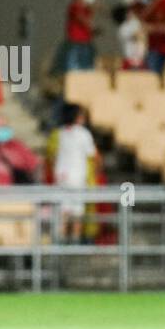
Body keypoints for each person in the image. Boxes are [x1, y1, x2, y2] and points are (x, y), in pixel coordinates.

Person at [52, 103, 96, 241]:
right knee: (77, 212)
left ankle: (61, 241)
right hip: (77, 177)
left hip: (61, 176)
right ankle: (75, 242)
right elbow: (92, 154)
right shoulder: (83, 134)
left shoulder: (60, 133)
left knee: (63, 211)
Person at [63, 0, 97, 73]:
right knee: (75, 68)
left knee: (87, 67)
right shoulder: (74, 5)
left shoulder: (87, 7)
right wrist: (93, 27)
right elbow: (82, 19)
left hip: (86, 42)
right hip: (76, 43)